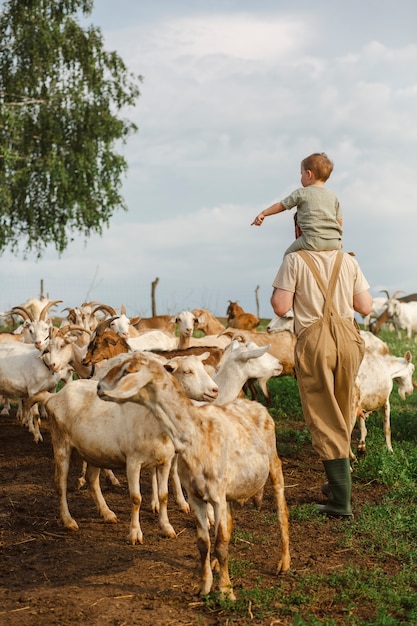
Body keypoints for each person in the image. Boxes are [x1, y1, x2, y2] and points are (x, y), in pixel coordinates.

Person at [270, 248, 373, 518]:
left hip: (316, 341)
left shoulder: (294, 259)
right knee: (341, 410)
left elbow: (281, 307)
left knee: (324, 416)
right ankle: (339, 486)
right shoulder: (349, 260)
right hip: (349, 341)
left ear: (300, 226)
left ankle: (340, 500)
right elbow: (365, 307)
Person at [251, 152, 343, 256]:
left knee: (289, 255)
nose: (301, 176)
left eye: (301, 173)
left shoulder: (301, 193)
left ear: (308, 174)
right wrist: (337, 239)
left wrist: (264, 213)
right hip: (334, 241)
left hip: (311, 240)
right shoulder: (333, 196)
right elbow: (339, 221)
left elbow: (281, 206)